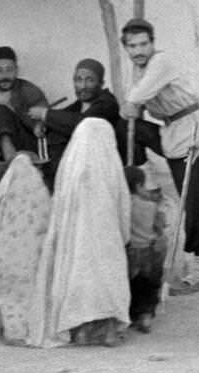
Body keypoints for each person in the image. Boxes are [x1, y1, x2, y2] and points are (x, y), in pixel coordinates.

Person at [117, 19, 199, 288]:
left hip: (194, 132)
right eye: (132, 45)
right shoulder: (136, 71)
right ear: (125, 48)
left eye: (143, 44)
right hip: (172, 133)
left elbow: (135, 98)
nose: (138, 50)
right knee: (127, 126)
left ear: (152, 44)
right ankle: (144, 179)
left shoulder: (161, 62)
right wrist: (130, 107)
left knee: (193, 202)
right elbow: (131, 106)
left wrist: (131, 104)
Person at [31, 118, 131, 348]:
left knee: (80, 282)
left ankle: (82, 331)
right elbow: (123, 204)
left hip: (76, 244)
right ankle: (108, 333)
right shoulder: (110, 167)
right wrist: (124, 236)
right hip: (106, 239)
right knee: (108, 282)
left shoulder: (70, 171)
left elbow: (58, 209)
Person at [0, 155, 53, 346]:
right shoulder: (34, 193)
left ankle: (12, 329)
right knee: (29, 292)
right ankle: (25, 329)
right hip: (29, 254)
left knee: (9, 294)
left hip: (2, 257)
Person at [31, 58, 121, 186]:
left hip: (100, 167)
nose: (83, 86)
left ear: (101, 83)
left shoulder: (107, 102)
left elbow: (80, 123)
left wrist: (45, 114)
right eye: (78, 80)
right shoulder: (81, 103)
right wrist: (44, 122)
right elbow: (65, 116)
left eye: (89, 80)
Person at [0, 46, 50, 165]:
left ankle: (10, 158)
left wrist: (39, 125)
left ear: (16, 70)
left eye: (9, 69)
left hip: (25, 147)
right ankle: (6, 161)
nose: (5, 76)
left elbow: (44, 118)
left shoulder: (29, 90)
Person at [124, 166, 165, 334]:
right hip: (150, 251)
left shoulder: (124, 207)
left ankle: (132, 316)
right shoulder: (151, 206)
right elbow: (160, 228)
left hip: (130, 252)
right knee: (150, 285)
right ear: (140, 186)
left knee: (133, 285)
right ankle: (146, 317)